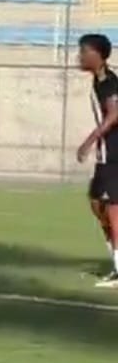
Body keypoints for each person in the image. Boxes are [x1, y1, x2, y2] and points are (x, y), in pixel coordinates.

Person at [75, 33, 118, 287]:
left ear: (98, 56)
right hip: (106, 158)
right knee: (97, 204)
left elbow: (114, 115)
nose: (80, 56)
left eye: (84, 52)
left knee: (113, 212)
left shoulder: (110, 83)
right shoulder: (99, 80)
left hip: (115, 156)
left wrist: (88, 142)